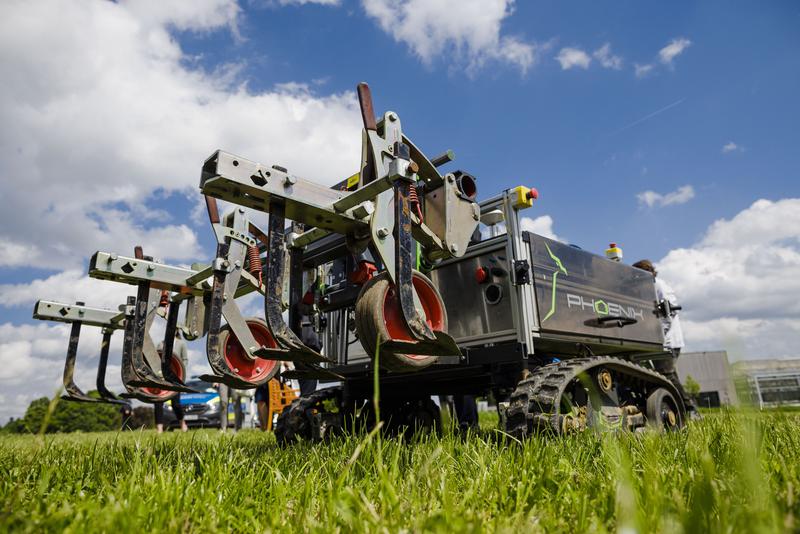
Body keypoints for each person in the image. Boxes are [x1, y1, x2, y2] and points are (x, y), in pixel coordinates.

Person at [632, 259, 700, 418]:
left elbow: (668, 313)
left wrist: (659, 336)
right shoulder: (648, 289)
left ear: (646, 273)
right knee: (666, 375)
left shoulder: (659, 286)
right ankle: (679, 409)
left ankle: (690, 410)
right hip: (659, 341)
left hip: (668, 341)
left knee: (666, 374)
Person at [154, 330, 189, 433]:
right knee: (158, 402)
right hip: (161, 377)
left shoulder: (181, 343)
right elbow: (156, 357)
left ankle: (182, 423)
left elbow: (185, 359)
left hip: (176, 377)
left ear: (176, 330)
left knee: (176, 403)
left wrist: (181, 370)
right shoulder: (161, 344)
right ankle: (159, 429)